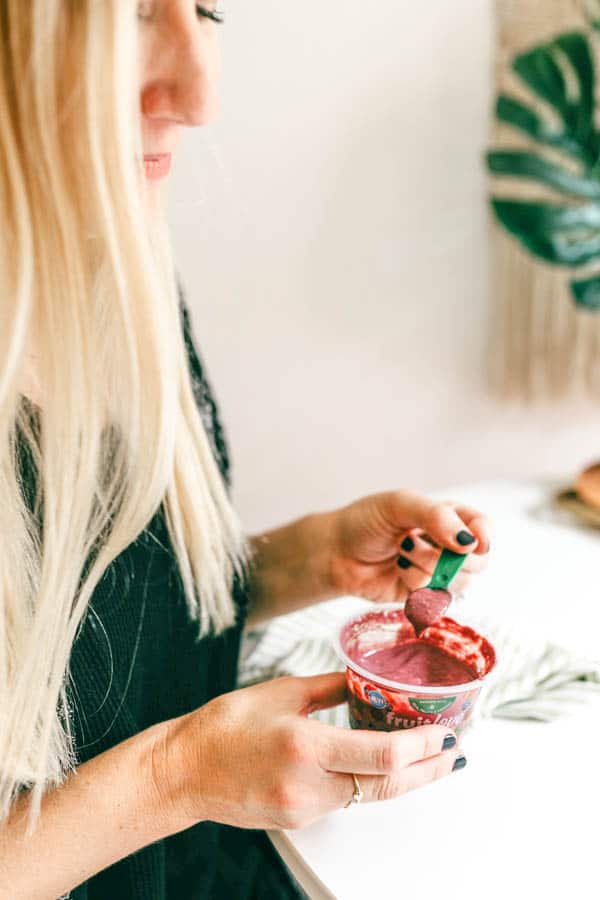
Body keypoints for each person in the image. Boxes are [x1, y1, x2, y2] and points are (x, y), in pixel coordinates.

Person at [0, 2, 491, 898]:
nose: (200, 95)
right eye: (131, 17)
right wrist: (177, 776)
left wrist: (304, 558)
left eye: (207, 7)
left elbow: (97, 644)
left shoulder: (113, 266)